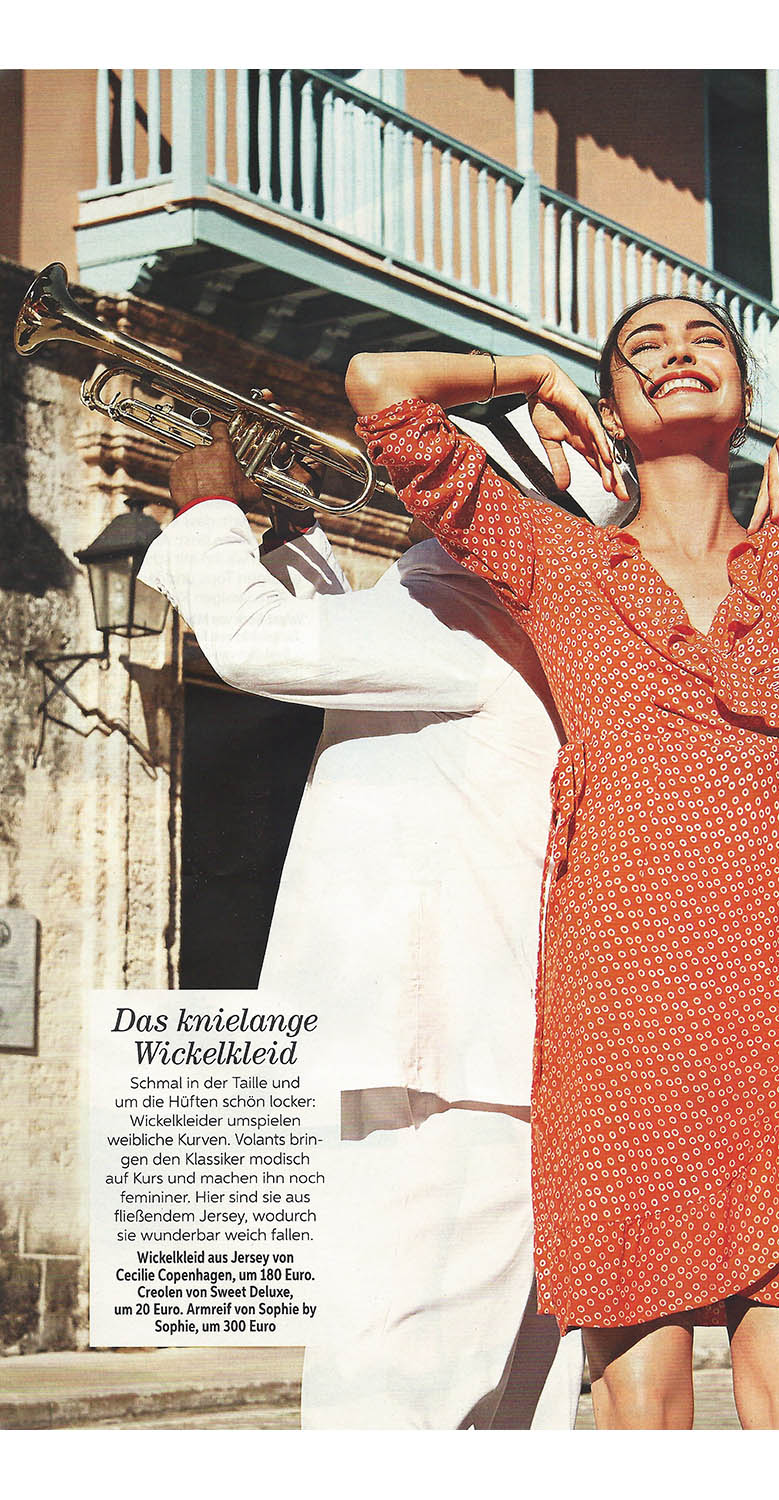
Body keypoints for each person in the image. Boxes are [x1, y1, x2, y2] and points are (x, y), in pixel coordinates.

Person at [343, 300, 779, 1429]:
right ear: (611, 406)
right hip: (619, 1015)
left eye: (706, 340)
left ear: (745, 395)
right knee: (644, 1417)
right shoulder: (551, 556)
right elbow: (379, 382)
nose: (677, 353)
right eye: (643, 349)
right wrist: (527, 372)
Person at [137, 402, 625, 1428]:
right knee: (485, 1400)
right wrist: (287, 534)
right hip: (473, 1058)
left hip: (439, 1065)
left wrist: (209, 508)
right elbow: (349, 656)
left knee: (390, 1385)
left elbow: (260, 644)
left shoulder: (464, 613)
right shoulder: (484, 620)